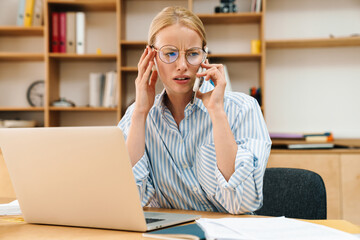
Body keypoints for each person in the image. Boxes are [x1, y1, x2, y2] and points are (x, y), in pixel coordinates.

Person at [118, 6, 271, 214]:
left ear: (204, 56)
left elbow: (242, 203)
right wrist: (139, 113)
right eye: (169, 53)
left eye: (192, 54)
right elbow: (126, 201)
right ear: (151, 57)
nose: (181, 65)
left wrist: (217, 112)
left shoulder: (243, 109)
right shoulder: (137, 117)